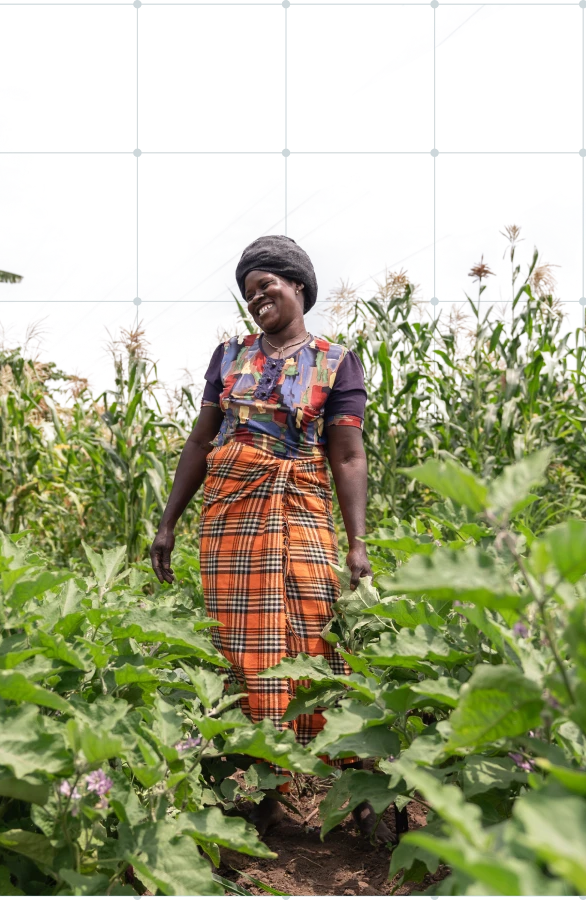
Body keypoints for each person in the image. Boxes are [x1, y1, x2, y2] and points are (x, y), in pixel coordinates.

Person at [150, 235, 393, 843]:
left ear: (299, 287)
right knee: (241, 648)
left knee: (318, 633)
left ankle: (356, 792)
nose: (259, 297)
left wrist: (358, 540)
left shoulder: (336, 361)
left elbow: (348, 454)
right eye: (250, 290)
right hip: (231, 515)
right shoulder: (229, 356)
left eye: (269, 286)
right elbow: (201, 441)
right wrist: (168, 521)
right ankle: (264, 797)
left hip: (303, 504)